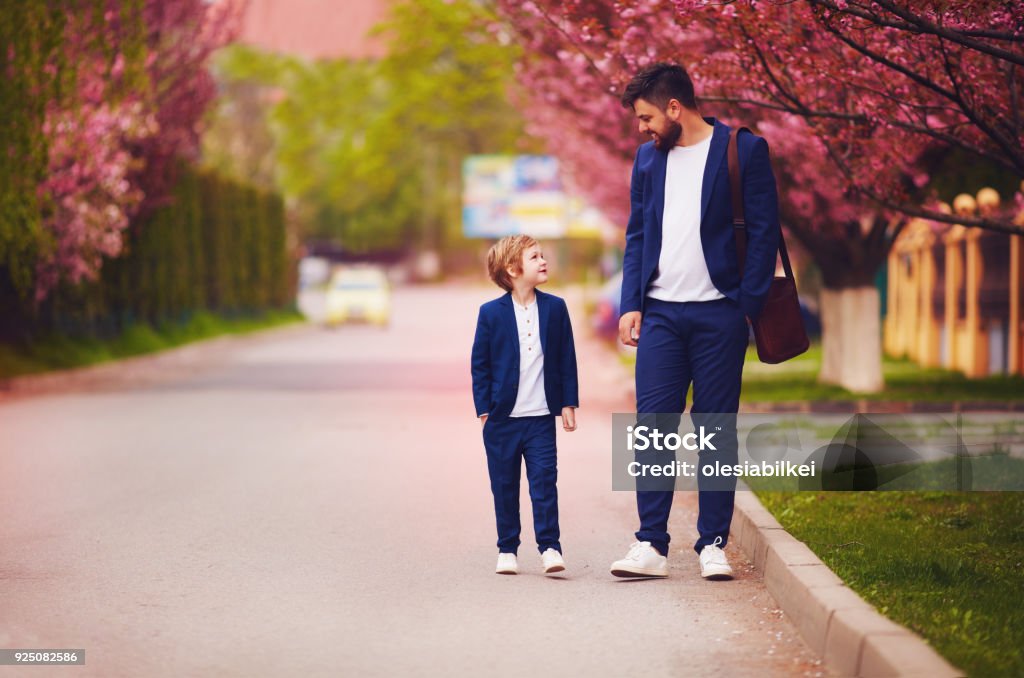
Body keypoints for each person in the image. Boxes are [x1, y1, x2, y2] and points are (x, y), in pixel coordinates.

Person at [609, 63, 780, 580]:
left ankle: (712, 544)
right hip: (661, 314)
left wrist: (744, 306)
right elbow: (637, 235)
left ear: (675, 108)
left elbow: (766, 230)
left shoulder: (743, 150)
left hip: (719, 315)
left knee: (714, 430)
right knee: (654, 431)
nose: (641, 128)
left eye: (646, 117)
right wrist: (631, 303)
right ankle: (651, 545)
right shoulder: (646, 160)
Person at [471, 235, 579, 575]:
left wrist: (568, 403)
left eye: (543, 256)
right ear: (512, 269)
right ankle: (507, 549)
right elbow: (480, 364)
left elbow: (566, 358)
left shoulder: (555, 308)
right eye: (535, 257)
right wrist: (484, 408)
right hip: (502, 420)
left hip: (540, 419)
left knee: (544, 482)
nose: (544, 261)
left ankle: (550, 547)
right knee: (504, 485)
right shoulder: (490, 313)